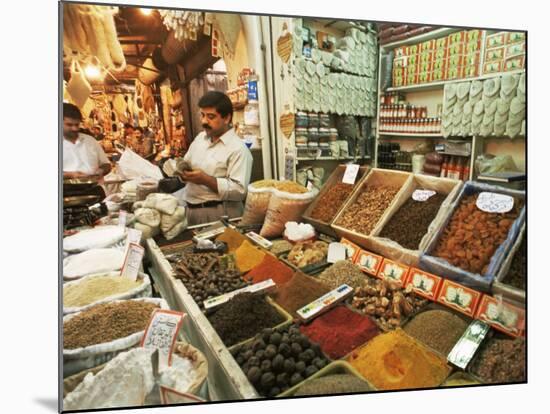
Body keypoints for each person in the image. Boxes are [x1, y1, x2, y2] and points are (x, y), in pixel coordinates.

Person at [175, 91, 253, 225]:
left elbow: (240, 191)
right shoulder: (200, 139)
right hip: (192, 210)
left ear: (227, 118)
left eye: (211, 116)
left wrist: (206, 180)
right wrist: (183, 173)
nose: (204, 121)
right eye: (202, 115)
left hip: (220, 213)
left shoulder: (238, 149)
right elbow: (186, 164)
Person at [63, 103, 111, 179]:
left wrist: (101, 171)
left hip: (93, 188)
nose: (74, 128)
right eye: (69, 125)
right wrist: (70, 175)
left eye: (77, 125)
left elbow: (106, 164)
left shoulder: (90, 141)